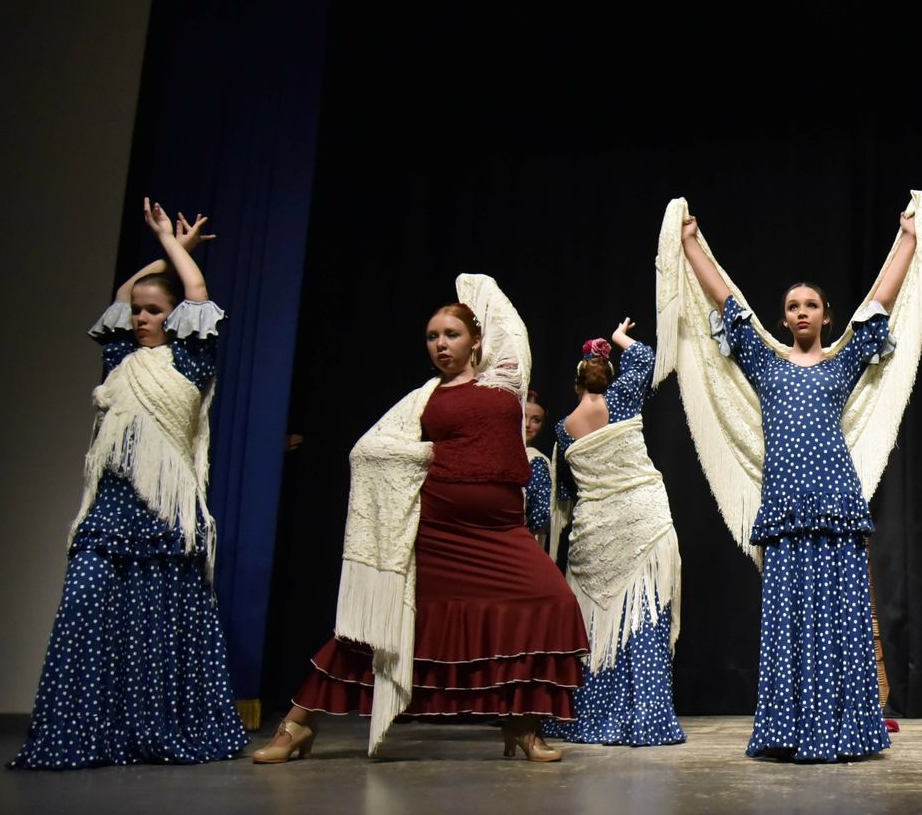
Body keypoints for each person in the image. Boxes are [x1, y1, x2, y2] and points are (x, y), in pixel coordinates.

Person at [653, 192, 922, 762]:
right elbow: (727, 299)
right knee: (788, 613)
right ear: (783, 317)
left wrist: (907, 239)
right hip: (786, 501)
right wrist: (689, 244)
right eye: (793, 305)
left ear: (827, 315)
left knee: (842, 611)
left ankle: (847, 726)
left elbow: (880, 300)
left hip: (834, 498)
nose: (803, 311)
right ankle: (788, 727)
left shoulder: (844, 362)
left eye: (812, 304)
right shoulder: (763, 363)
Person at [253, 274, 588, 765]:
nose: (440, 345)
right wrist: (427, 454)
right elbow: (368, 450)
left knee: (550, 602)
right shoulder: (424, 399)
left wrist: (466, 291)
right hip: (437, 535)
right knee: (376, 629)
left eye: (451, 334)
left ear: (478, 340)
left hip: (500, 534)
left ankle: (523, 726)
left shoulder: (506, 379)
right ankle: (296, 725)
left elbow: (497, 306)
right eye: (432, 337)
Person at [10, 200, 247, 769]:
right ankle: (84, 734)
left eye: (152, 311)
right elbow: (122, 294)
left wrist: (175, 251)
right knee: (87, 608)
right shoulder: (121, 358)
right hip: (111, 509)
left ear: (173, 319)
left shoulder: (189, 361)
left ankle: (153, 729)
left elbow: (195, 295)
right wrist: (171, 254)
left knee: (156, 623)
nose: (140, 318)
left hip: (163, 514)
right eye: (139, 313)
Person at [541, 320, 686, 746]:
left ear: (576, 382)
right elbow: (644, 357)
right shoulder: (623, 398)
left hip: (595, 532)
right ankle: (646, 718)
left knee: (597, 625)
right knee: (643, 619)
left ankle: (593, 715)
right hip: (642, 523)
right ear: (606, 373)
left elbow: (567, 491)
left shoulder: (562, 431)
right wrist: (620, 336)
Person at [523, 390, 552, 550]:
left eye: (536, 420)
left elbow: (541, 516)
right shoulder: (492, 451)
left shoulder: (535, 462)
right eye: (523, 416)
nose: (527, 425)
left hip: (515, 546)